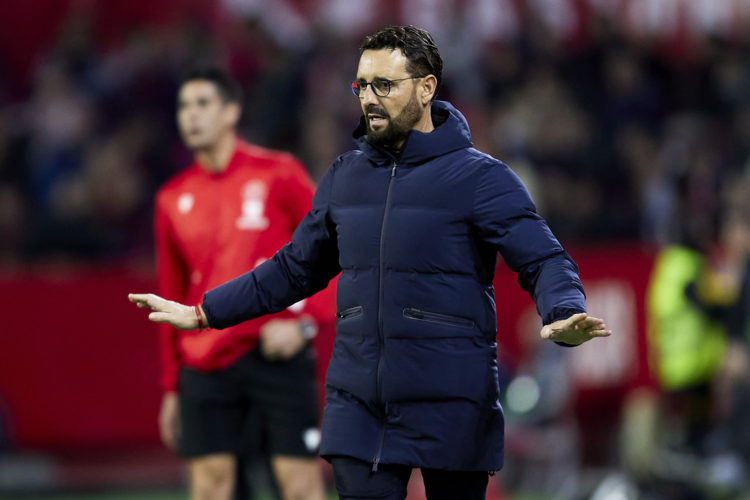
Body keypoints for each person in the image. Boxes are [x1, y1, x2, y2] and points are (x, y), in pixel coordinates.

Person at [131, 27, 610, 499]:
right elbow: (293, 269)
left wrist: (562, 310)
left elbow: (544, 258)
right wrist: (204, 313)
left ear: (426, 89)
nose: (369, 99)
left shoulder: (482, 178)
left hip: (452, 402)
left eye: (385, 85)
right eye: (362, 85)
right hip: (359, 405)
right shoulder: (345, 176)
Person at [151, 67, 329, 500]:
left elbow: (331, 254)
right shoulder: (172, 198)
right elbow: (170, 298)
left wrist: (305, 326)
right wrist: (171, 387)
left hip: (276, 353)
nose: (190, 115)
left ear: (232, 111)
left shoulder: (279, 173)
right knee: (211, 487)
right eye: (183, 106)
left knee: (300, 484)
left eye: (202, 104)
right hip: (206, 362)